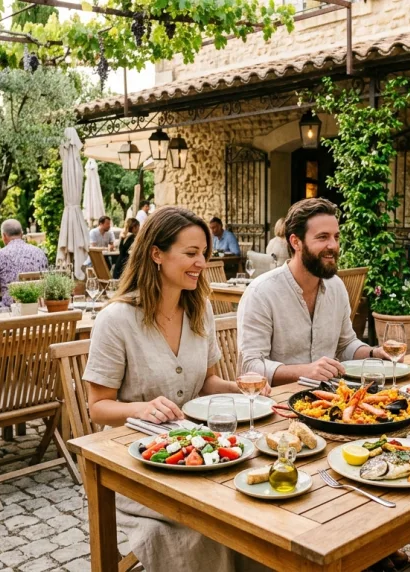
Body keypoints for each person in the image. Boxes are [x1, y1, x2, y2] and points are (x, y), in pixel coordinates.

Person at [82, 206, 270, 572]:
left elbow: (207, 383)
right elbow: (98, 407)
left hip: (196, 456)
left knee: (254, 510)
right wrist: (140, 408)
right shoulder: (116, 320)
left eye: (204, 253)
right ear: (157, 253)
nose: (202, 262)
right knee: (214, 527)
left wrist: (240, 389)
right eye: (191, 253)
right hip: (135, 468)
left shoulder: (199, 310)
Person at [237, 198, 392, 384]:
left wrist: (374, 353)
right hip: (278, 399)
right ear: (296, 242)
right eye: (323, 237)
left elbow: (345, 345)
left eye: (336, 237)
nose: (333, 245)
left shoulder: (336, 286)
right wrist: (306, 371)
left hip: (329, 396)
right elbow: (250, 367)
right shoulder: (261, 293)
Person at [0, 219, 48, 308]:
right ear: (21, 234)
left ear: (4, 236)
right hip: (38, 309)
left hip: (11, 310)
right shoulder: (39, 252)